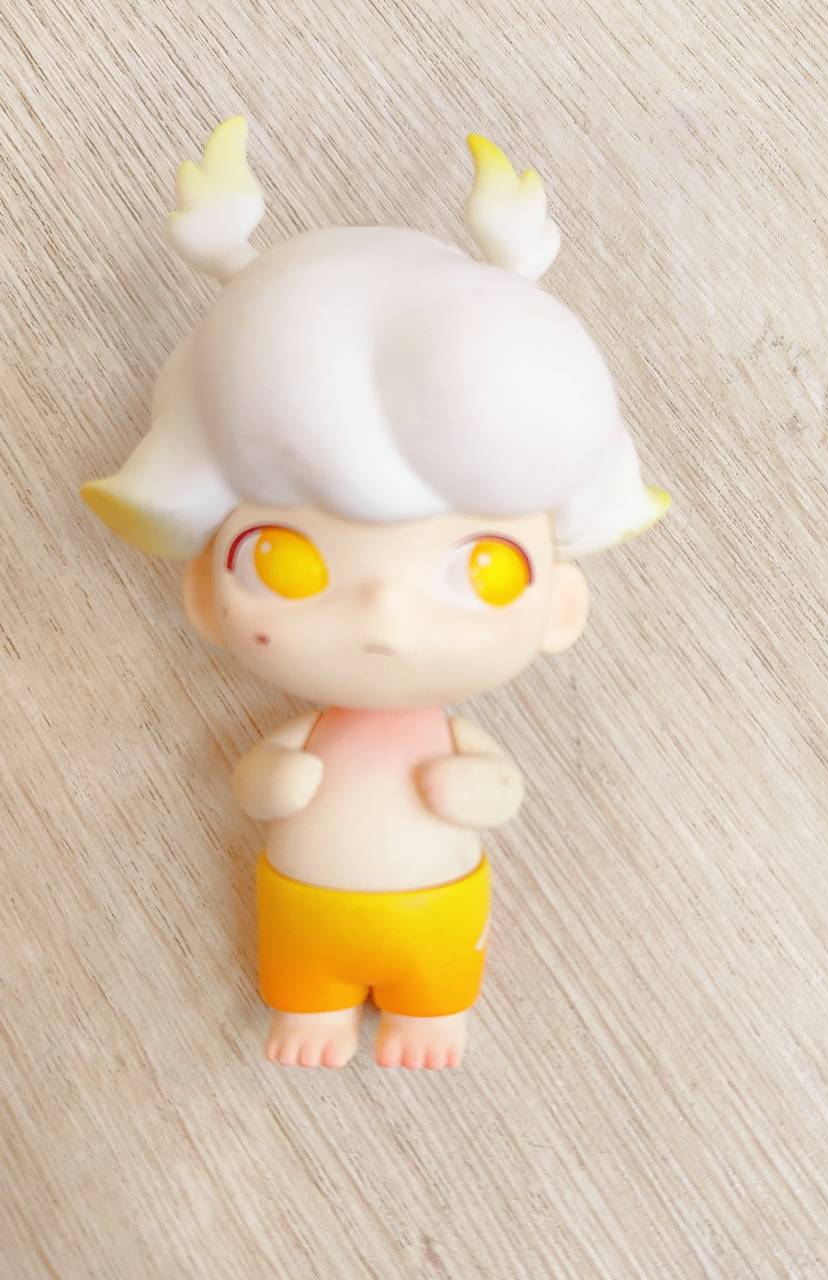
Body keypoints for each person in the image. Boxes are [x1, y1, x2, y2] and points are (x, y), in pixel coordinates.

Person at [82, 118, 667, 1068]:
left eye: (481, 570)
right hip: (305, 915)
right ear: (204, 596)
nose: (382, 614)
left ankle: (432, 1012)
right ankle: (308, 1007)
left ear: (562, 607)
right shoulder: (306, 728)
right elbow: (254, 787)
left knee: (433, 986)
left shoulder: (433, 725)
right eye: (288, 563)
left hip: (436, 918)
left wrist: (480, 786)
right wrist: (272, 782)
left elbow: (500, 792)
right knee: (303, 980)